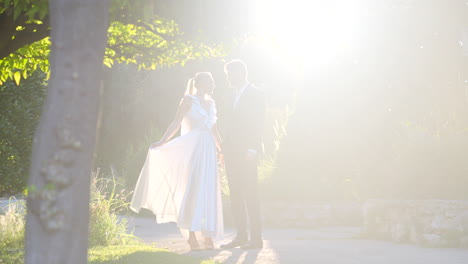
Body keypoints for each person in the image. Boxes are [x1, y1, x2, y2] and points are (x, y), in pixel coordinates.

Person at [129, 72, 224, 251]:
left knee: (208, 191)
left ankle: (208, 234)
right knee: (194, 190)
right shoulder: (188, 101)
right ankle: (192, 235)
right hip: (193, 150)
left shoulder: (212, 103)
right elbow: (176, 122)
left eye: (212, 81)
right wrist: (163, 141)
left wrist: (222, 150)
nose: (212, 84)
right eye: (209, 81)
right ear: (199, 83)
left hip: (208, 151)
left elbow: (214, 130)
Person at [220, 59, 266, 249]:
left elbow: (259, 122)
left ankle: (256, 240)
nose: (228, 77)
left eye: (231, 73)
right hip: (231, 152)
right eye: (227, 73)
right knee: (235, 195)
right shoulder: (231, 95)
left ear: (241, 73)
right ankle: (240, 236)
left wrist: (253, 148)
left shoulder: (257, 94)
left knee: (251, 196)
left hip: (247, 152)